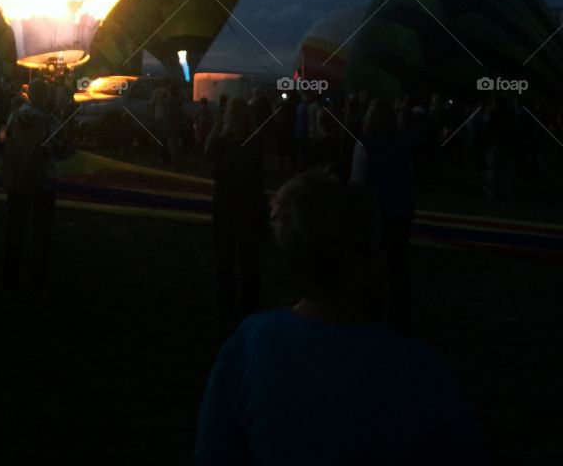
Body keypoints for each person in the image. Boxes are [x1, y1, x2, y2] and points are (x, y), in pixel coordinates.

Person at [196, 171, 484, 466]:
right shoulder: (420, 372)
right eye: (376, 247)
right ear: (360, 259)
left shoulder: (247, 350)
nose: (384, 261)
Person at [351, 97, 415, 333]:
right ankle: (401, 318)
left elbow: (357, 183)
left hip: (376, 215)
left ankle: (374, 317)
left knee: (373, 268)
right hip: (400, 211)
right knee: (399, 268)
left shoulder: (364, 145)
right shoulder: (402, 144)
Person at [206, 99, 268, 325]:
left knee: (225, 261)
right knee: (249, 259)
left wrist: (217, 124)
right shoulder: (257, 142)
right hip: (249, 207)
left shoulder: (221, 142)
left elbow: (207, 153)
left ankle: (227, 305)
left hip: (225, 206)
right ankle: (249, 306)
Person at [1, 80, 60, 292]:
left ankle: (9, 273)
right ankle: (38, 278)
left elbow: (6, 141)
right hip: (42, 180)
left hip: (18, 178)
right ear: (46, 95)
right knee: (41, 232)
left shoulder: (15, 115)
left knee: (14, 228)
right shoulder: (49, 119)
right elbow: (57, 148)